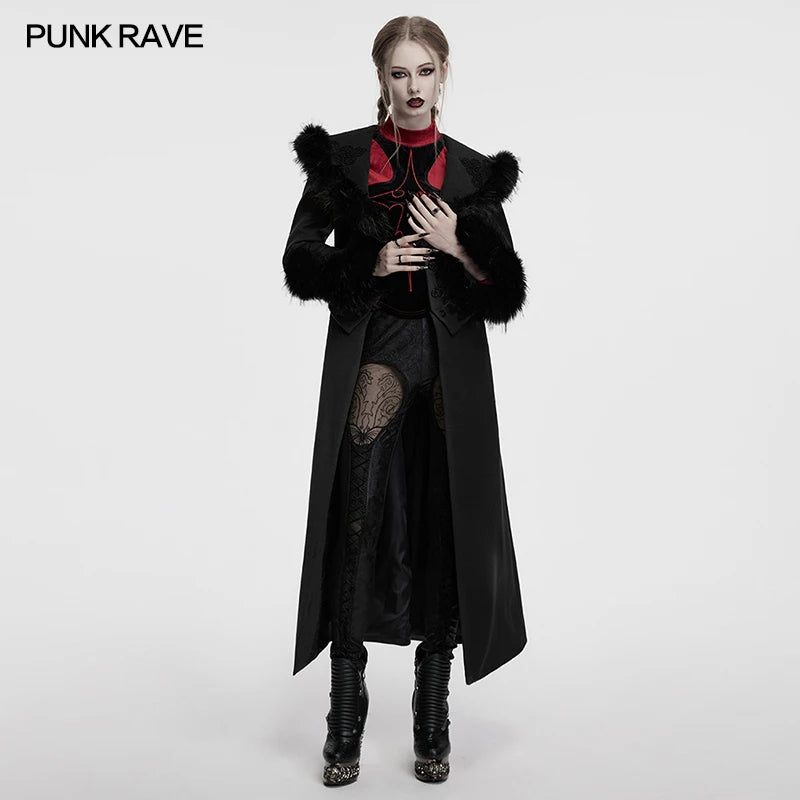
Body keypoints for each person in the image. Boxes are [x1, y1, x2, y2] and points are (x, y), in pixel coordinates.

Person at [282, 15, 529, 786]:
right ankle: (344, 708)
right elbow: (298, 260)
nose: (413, 87)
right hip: (378, 349)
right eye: (399, 73)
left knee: (447, 518)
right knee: (358, 517)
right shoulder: (343, 161)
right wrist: (371, 260)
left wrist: (459, 244)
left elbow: (506, 288)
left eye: (425, 71)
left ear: (444, 72)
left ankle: (432, 705)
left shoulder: (475, 171)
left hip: (452, 361)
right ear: (381, 77)